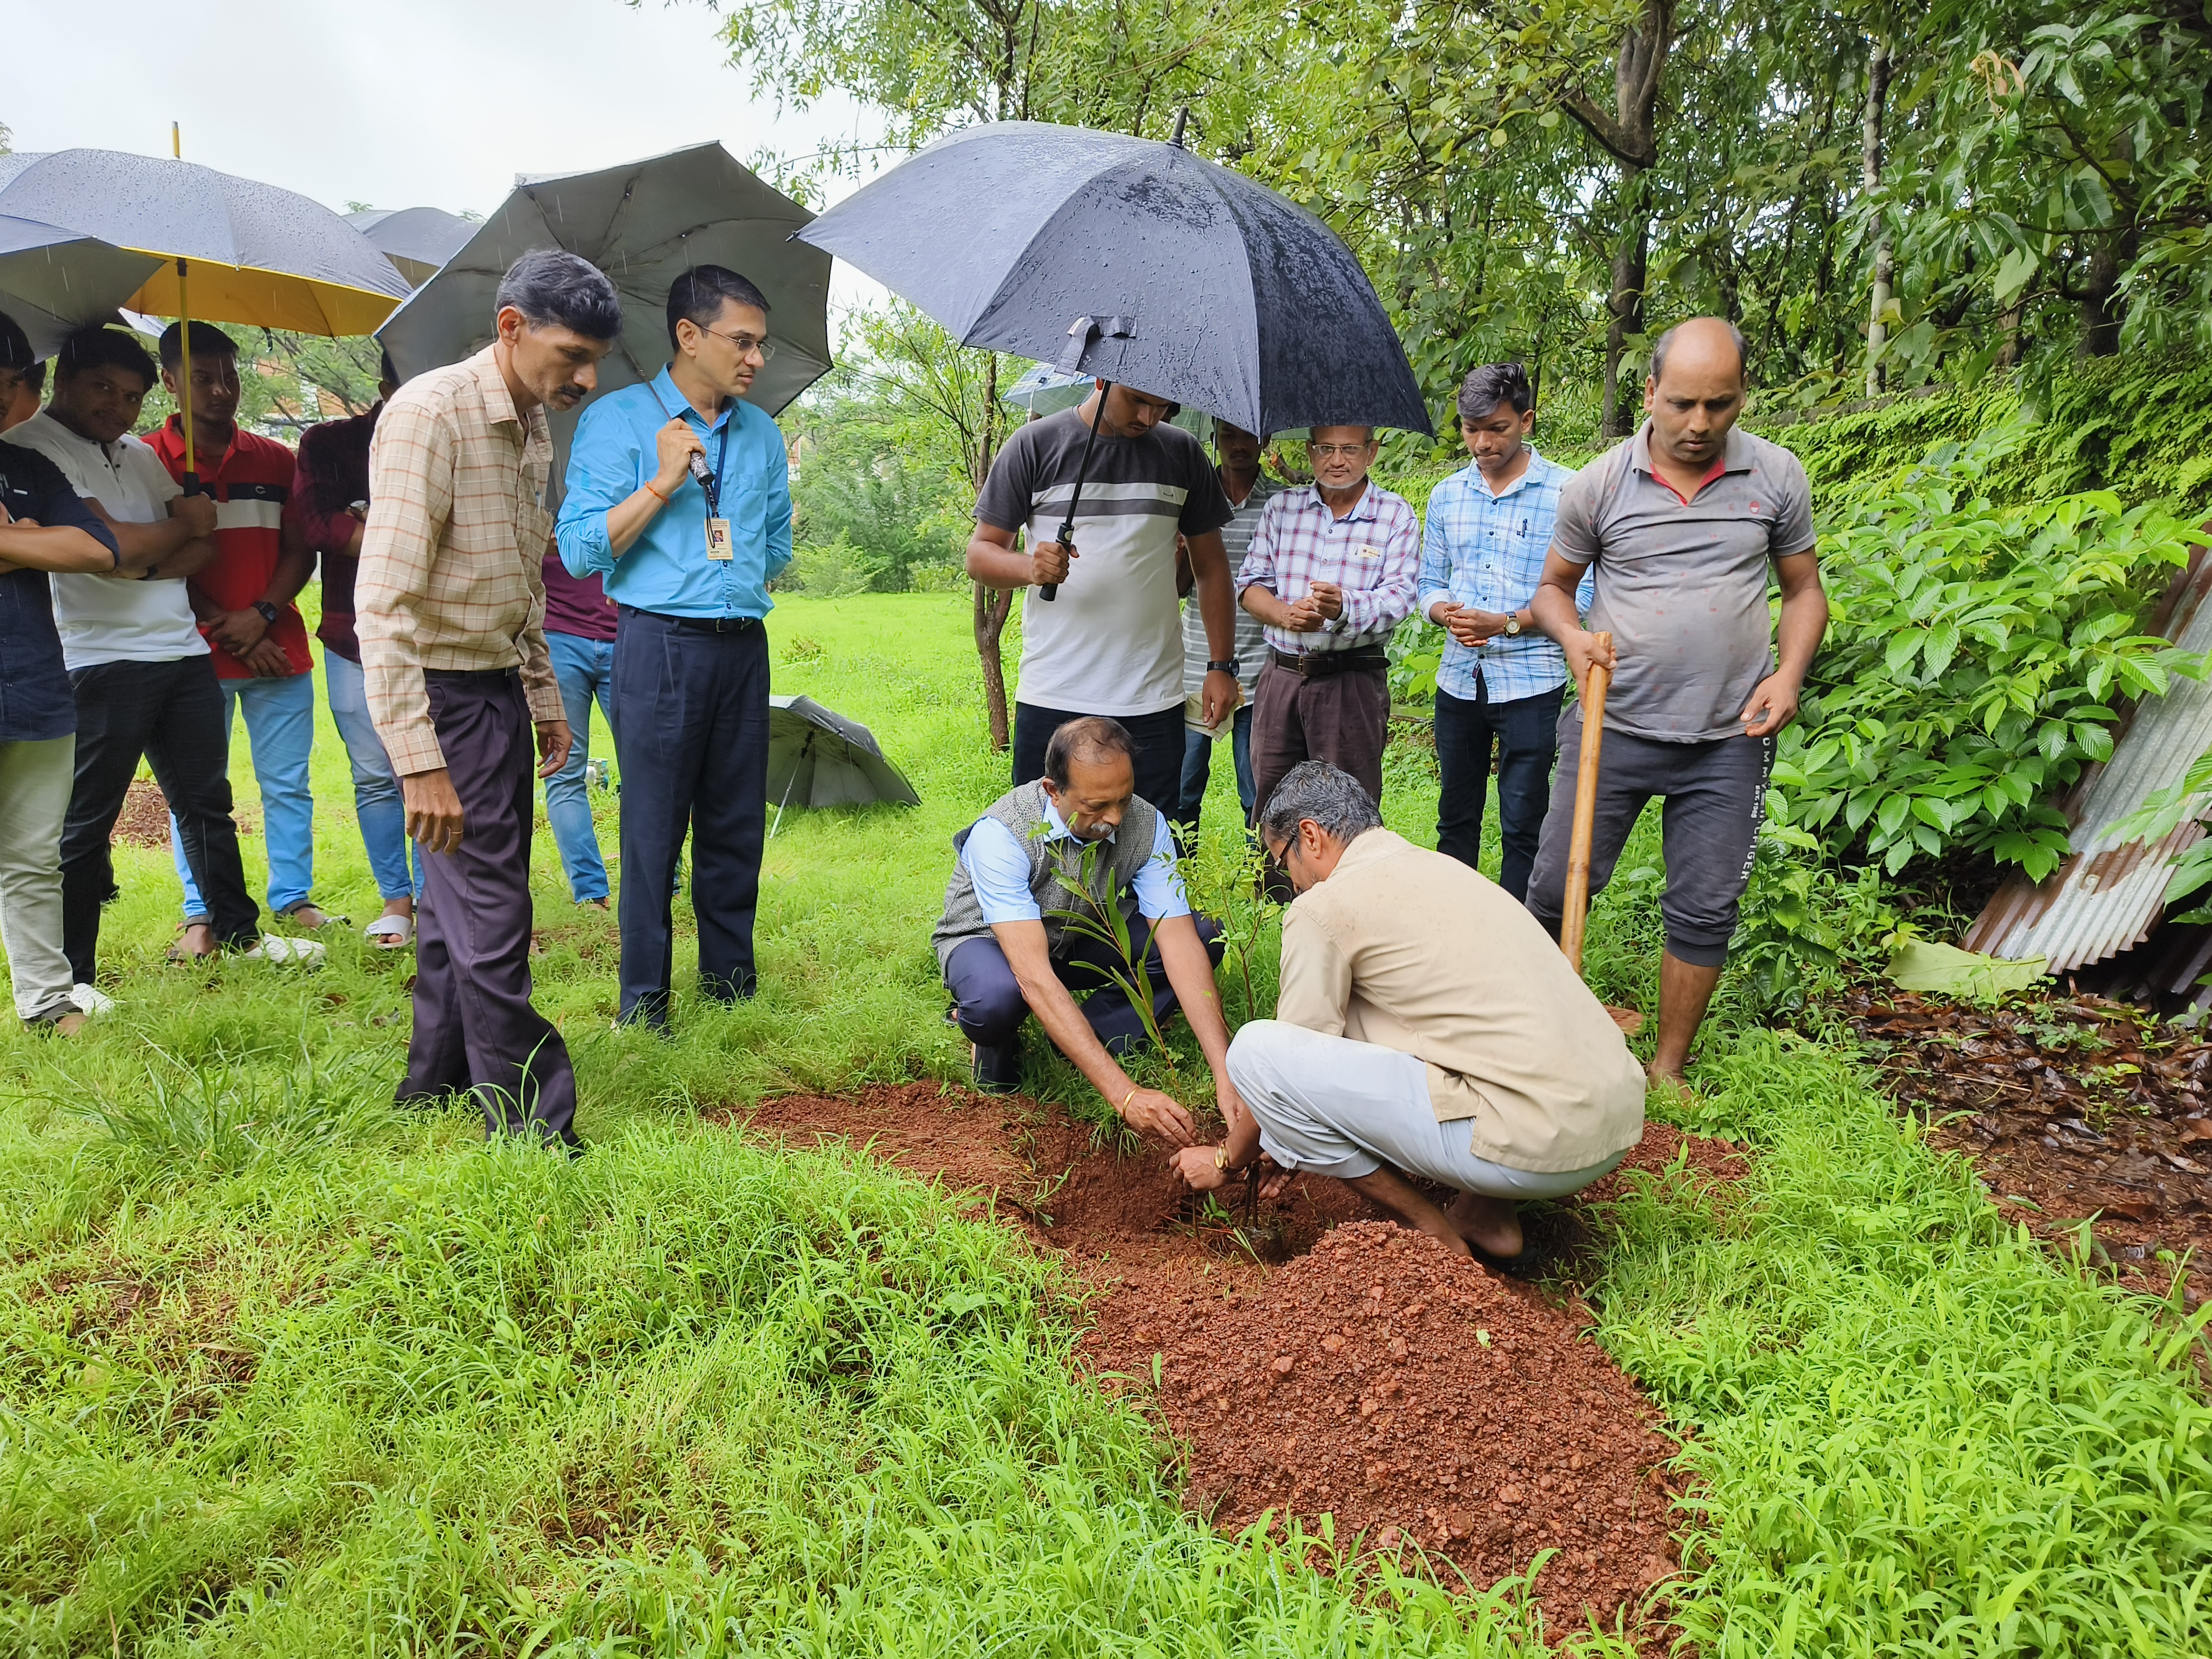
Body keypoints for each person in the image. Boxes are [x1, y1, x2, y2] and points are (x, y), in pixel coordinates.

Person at [1172, 761, 1647, 1260]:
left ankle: (1433, 1235)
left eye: (1282, 861)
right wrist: (1283, 1133)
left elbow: (1280, 1068)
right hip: (1610, 1125)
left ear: (1310, 836)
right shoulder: (1442, 869)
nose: (1291, 881)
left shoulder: (1324, 906)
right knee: (1422, 1017)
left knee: (1253, 1051)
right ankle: (1485, 1214)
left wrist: (1227, 1159)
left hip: (1534, 1145)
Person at [358, 248, 619, 1148]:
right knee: (494, 909)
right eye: (571, 356)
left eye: (594, 361)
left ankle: (433, 1081)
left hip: (497, 685)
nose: (585, 379)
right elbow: (383, 601)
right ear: (511, 328)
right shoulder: (429, 413)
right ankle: (535, 1125)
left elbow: (521, 581)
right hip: (443, 697)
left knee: (454, 908)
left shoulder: (530, 423)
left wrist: (542, 697)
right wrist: (418, 760)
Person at [1526, 317, 1826, 1089]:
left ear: (1742, 396)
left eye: (1718, 405)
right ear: (1650, 392)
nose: (1699, 424)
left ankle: (1667, 1069)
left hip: (1730, 735)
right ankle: (1539, 1043)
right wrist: (1571, 638)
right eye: (1683, 403)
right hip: (1613, 724)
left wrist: (1788, 675)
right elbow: (1554, 589)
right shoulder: (1597, 485)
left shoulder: (1777, 475)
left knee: (1705, 904)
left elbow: (1803, 591)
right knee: (1557, 885)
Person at [555, 265, 788, 1029]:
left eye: (761, 344)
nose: (756, 359)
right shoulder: (618, 420)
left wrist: (732, 579)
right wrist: (661, 482)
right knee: (654, 827)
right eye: (742, 342)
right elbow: (580, 550)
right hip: (657, 645)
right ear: (689, 335)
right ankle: (644, 1004)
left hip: (742, 647)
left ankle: (730, 990)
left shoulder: (761, 433)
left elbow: (775, 542)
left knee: (734, 823)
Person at [8, 327, 258, 982]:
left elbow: (202, 548)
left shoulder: (139, 453)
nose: (117, 407)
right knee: (87, 823)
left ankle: (240, 935)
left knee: (207, 803)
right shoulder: (33, 447)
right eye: (102, 388)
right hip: (97, 655)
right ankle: (74, 976)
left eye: (132, 397)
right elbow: (114, 543)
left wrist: (142, 561)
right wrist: (169, 533)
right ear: (64, 381)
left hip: (180, 649)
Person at [933, 716, 1238, 1132]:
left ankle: (1083, 1039)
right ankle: (993, 1040)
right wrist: (1126, 1096)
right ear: (1053, 790)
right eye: (1096, 806)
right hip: (989, 942)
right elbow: (1032, 973)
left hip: (1075, 933)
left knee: (1203, 937)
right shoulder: (1003, 834)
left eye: (1123, 800)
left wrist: (1226, 1073)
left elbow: (1178, 942)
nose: (1114, 818)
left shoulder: (1148, 825)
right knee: (997, 1000)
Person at [967, 381, 1241, 811]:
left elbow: (1211, 568)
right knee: (1046, 840)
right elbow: (980, 555)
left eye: (1161, 406)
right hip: (1054, 695)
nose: (1148, 418)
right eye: (1137, 401)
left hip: (1152, 700)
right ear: (1101, 379)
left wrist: (1221, 665)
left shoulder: (1182, 453)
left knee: (1151, 840)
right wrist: (1030, 567)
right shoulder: (1034, 445)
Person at [146, 322, 329, 944]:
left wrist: (263, 616)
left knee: (288, 785)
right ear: (170, 382)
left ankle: (293, 897)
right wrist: (230, 627)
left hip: (279, 650)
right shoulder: (147, 459)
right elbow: (156, 561)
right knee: (198, 793)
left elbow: (301, 549)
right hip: (190, 655)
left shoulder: (276, 459)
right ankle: (200, 909)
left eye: (229, 376)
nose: (221, 390)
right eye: (203, 378)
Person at [0, 312, 124, 1034]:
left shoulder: (28, 469)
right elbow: (64, 546)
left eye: (10, 380)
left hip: (36, 687)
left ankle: (47, 1001)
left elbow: (97, 550)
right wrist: (30, 541)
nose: (1, 393)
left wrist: (14, 541)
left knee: (32, 856)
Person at [1417, 363, 1583, 901]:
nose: (1483, 443)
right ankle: (1455, 927)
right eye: (1471, 429)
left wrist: (1505, 623)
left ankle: (1518, 932)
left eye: (1497, 429)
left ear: (1526, 421)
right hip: (1458, 681)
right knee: (1455, 816)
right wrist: (1444, 613)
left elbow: (1581, 597)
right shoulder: (1446, 495)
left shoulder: (1567, 492)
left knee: (1523, 821)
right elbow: (1428, 582)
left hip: (1531, 683)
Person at [292, 352, 417, 947]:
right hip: (353, 636)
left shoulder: (459, 438)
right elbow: (318, 527)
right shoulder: (331, 443)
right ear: (386, 386)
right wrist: (416, 538)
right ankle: (398, 900)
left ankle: (441, 898)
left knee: (434, 770)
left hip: (433, 638)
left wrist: (366, 524)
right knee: (373, 775)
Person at [1236, 424, 1420, 819]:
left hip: (1350, 681)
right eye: (1326, 448)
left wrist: (1343, 608)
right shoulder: (1283, 508)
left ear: (1371, 452)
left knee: (1347, 811)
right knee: (1272, 805)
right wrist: (1285, 614)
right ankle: (1274, 865)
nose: (1337, 460)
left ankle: (1347, 864)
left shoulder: (1393, 514)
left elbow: (1401, 596)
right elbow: (1250, 585)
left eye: (1350, 449)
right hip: (1282, 676)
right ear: (1310, 451)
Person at [1172, 420, 1275, 840]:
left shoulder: (1281, 504)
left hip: (1261, 668)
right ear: (1215, 438)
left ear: (1265, 439)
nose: (1239, 445)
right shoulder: (1191, 499)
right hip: (1196, 667)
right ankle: (1179, 873)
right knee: (1183, 788)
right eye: (1229, 435)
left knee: (1258, 794)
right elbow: (1176, 588)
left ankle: (1261, 875)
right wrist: (1181, 549)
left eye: (1249, 435)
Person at [538, 545, 618, 908]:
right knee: (563, 770)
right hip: (557, 635)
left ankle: (665, 882)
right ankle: (590, 891)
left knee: (651, 771)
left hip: (634, 631)